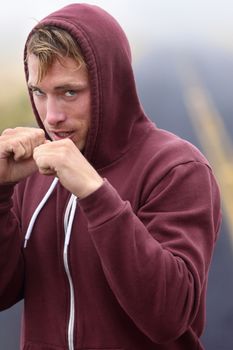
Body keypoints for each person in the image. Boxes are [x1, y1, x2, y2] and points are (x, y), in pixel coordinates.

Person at [0, 3, 221, 350]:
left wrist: (94, 193)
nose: (51, 116)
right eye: (40, 93)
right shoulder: (33, 167)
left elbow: (168, 315)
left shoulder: (177, 169)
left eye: (69, 92)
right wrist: (0, 193)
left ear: (110, 85)